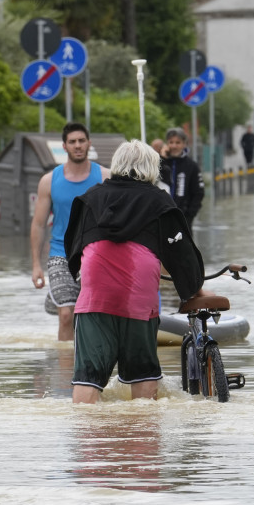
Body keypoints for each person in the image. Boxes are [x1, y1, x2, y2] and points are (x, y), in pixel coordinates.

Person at [64, 140, 207, 404]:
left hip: (96, 295)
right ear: (152, 167)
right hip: (138, 294)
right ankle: (142, 437)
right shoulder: (160, 201)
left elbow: (73, 246)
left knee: (88, 376)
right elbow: (182, 254)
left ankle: (84, 436)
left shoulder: (90, 198)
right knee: (142, 373)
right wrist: (192, 289)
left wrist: (78, 277)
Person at [30, 122, 109, 342]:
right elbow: (38, 224)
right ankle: (64, 373)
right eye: (72, 142)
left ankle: (89, 366)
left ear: (89, 144)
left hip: (95, 254)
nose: (77, 146)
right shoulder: (49, 181)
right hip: (60, 253)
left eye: (81, 141)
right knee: (66, 315)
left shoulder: (104, 177)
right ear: (64, 146)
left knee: (92, 315)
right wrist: (36, 264)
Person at [158, 127, 204, 224]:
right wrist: (162, 159)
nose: (174, 146)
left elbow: (198, 193)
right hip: (161, 218)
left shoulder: (191, 166)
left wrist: (189, 215)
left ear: (184, 144)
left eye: (177, 142)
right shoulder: (160, 163)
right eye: (171, 142)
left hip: (183, 219)